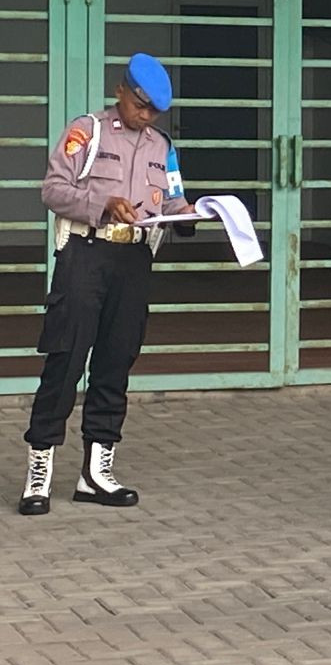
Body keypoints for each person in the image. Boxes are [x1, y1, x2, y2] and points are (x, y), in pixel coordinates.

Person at [17, 54, 197, 517]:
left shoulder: (162, 146)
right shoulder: (89, 131)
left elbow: (171, 197)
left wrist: (189, 214)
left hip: (134, 259)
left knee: (116, 361)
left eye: (155, 111)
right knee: (66, 357)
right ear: (122, 91)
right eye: (141, 105)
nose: (147, 116)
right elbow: (52, 190)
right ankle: (40, 470)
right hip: (87, 254)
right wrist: (103, 201)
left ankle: (97, 472)